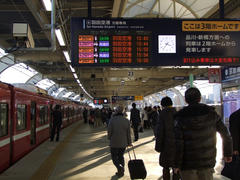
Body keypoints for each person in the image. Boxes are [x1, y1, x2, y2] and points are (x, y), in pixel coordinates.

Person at [174, 87, 233, 180]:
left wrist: (177, 164)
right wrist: (228, 153)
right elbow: (226, 134)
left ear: (185, 100)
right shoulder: (212, 114)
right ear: (200, 98)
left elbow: (178, 143)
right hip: (207, 163)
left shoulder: (180, 117)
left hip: (187, 165)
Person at [155, 96, 177, 180]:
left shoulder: (162, 114)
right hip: (177, 145)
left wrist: (158, 147)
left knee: (166, 167)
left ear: (162, 105)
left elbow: (160, 132)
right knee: (176, 167)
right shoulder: (177, 113)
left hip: (166, 146)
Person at [108, 106, 132, 178]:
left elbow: (109, 131)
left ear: (116, 112)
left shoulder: (112, 120)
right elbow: (128, 133)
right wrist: (129, 142)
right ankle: (121, 170)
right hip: (123, 142)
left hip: (114, 142)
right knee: (121, 156)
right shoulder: (126, 120)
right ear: (122, 112)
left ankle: (119, 168)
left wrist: (109, 138)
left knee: (114, 156)